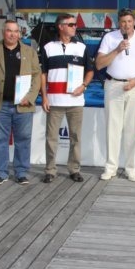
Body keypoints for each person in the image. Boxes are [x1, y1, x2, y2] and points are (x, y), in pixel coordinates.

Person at [95, 8, 135, 182]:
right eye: (123, 22)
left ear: (134, 22)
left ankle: (131, 169)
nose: (126, 25)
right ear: (118, 23)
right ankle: (110, 167)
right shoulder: (110, 38)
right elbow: (99, 64)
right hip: (113, 85)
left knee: (133, 129)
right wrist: (117, 50)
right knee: (112, 129)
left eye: (129, 21)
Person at [0, 19, 41, 186]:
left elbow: (37, 76)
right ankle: (1, 172)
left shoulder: (30, 52)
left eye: (16, 31)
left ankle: (21, 172)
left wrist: (30, 97)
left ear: (20, 34)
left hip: (23, 104)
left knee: (23, 139)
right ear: (3, 32)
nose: (13, 34)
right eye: (9, 30)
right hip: (0, 104)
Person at [40, 13, 95, 183]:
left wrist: (84, 86)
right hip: (54, 101)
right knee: (51, 138)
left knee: (75, 137)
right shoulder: (48, 47)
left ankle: (74, 169)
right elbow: (43, 74)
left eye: (75, 24)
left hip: (75, 101)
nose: (74, 27)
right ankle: (50, 170)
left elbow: (90, 71)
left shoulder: (82, 47)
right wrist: (44, 97)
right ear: (61, 26)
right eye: (71, 24)